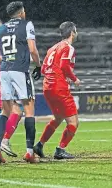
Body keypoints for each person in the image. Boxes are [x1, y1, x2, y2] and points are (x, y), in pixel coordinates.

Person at [0, 1, 41, 163]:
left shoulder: (1, 28)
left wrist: (8, 60)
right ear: (21, 12)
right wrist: (38, 66)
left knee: (5, 112)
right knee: (29, 110)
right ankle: (29, 152)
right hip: (20, 70)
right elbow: (33, 49)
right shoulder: (26, 24)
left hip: (4, 71)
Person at [33, 21, 80, 159]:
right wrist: (74, 78)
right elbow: (64, 65)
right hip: (60, 88)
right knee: (74, 122)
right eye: (75, 31)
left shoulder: (52, 48)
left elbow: (43, 69)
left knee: (58, 118)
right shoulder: (68, 47)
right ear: (72, 33)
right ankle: (60, 150)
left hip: (48, 87)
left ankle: (39, 145)